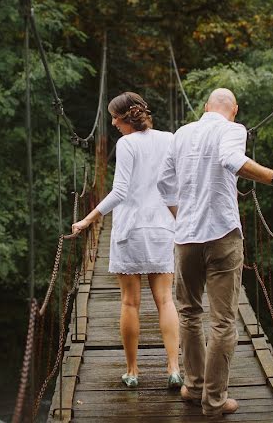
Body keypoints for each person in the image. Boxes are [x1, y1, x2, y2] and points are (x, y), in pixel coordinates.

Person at [157, 88, 273, 416]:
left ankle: (193, 388)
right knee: (223, 321)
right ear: (234, 110)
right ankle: (214, 401)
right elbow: (232, 160)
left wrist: (183, 218)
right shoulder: (233, 130)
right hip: (222, 235)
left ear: (206, 107)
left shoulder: (181, 134)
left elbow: (164, 184)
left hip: (186, 239)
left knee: (190, 313)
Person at [71, 91, 182, 389]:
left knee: (130, 302)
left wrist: (88, 218)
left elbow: (119, 192)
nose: (111, 122)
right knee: (165, 300)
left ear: (123, 118)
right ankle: (173, 368)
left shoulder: (127, 144)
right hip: (162, 228)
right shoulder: (170, 139)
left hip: (131, 230)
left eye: (113, 117)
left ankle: (133, 372)